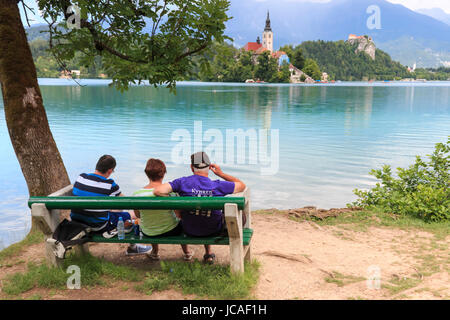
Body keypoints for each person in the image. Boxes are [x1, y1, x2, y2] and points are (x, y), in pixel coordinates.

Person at [154, 152, 246, 264]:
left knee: (198, 215)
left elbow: (158, 191)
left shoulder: (182, 182)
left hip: (189, 230)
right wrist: (220, 174)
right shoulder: (217, 185)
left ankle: (207, 253)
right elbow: (242, 185)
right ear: (209, 168)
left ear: (191, 167)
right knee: (218, 215)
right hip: (213, 230)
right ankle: (208, 253)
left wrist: (175, 206)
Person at [70, 155, 151, 256]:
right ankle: (133, 247)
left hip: (77, 222)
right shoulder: (109, 183)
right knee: (131, 215)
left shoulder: (81, 177)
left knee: (116, 211)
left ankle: (133, 245)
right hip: (97, 226)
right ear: (109, 171)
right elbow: (126, 201)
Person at [132, 158, 194, 261]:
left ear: (146, 174)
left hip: (149, 232)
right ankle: (187, 253)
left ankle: (155, 252)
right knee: (180, 222)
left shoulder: (137, 194)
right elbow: (178, 214)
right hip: (171, 231)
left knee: (152, 220)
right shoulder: (169, 193)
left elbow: (138, 215)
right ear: (163, 173)